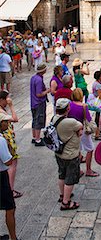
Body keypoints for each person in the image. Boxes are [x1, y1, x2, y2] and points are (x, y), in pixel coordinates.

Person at [52, 98, 82, 210]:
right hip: (70, 154)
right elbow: (80, 126)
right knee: (70, 178)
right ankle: (66, 202)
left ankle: (62, 195)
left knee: (62, 174)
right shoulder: (70, 122)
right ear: (67, 108)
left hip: (59, 153)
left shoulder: (54, 118)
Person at [69, 88, 99, 177]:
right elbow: (88, 120)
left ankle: (77, 170)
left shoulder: (69, 105)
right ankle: (88, 170)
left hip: (73, 131)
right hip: (82, 130)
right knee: (89, 149)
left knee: (77, 150)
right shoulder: (84, 106)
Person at [0, 92, 22, 199]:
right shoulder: (1, 111)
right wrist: (11, 106)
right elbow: (15, 118)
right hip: (6, 138)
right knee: (12, 162)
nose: (8, 100)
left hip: (7, 136)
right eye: (6, 99)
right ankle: (10, 189)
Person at [0, 112, 18, 240]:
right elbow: (8, 161)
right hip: (1, 177)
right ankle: (13, 237)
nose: (8, 123)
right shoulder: (1, 140)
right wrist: (9, 147)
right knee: (10, 208)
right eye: (5, 121)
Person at [30, 63, 51, 146]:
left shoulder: (33, 78)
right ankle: (38, 140)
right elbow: (39, 94)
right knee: (39, 120)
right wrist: (47, 91)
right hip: (39, 102)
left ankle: (34, 137)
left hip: (33, 103)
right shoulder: (39, 80)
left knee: (34, 119)